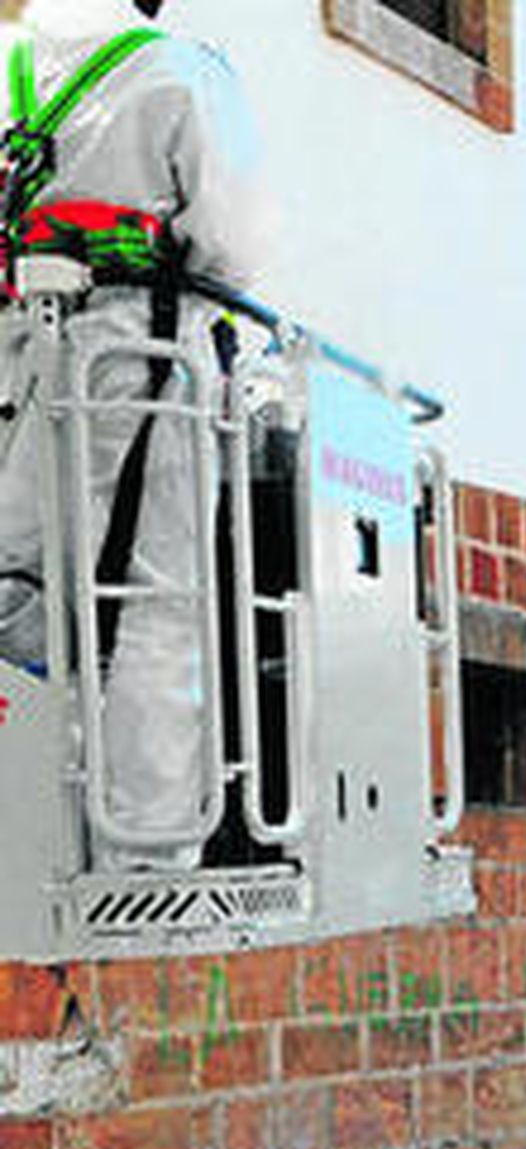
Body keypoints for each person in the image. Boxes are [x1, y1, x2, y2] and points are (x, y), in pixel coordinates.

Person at [0, 0, 269, 868]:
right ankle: (144, 848)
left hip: (16, 348)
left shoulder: (6, 64)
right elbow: (233, 247)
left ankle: (24, 824)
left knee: (16, 583)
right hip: (141, 354)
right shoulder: (181, 71)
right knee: (156, 601)